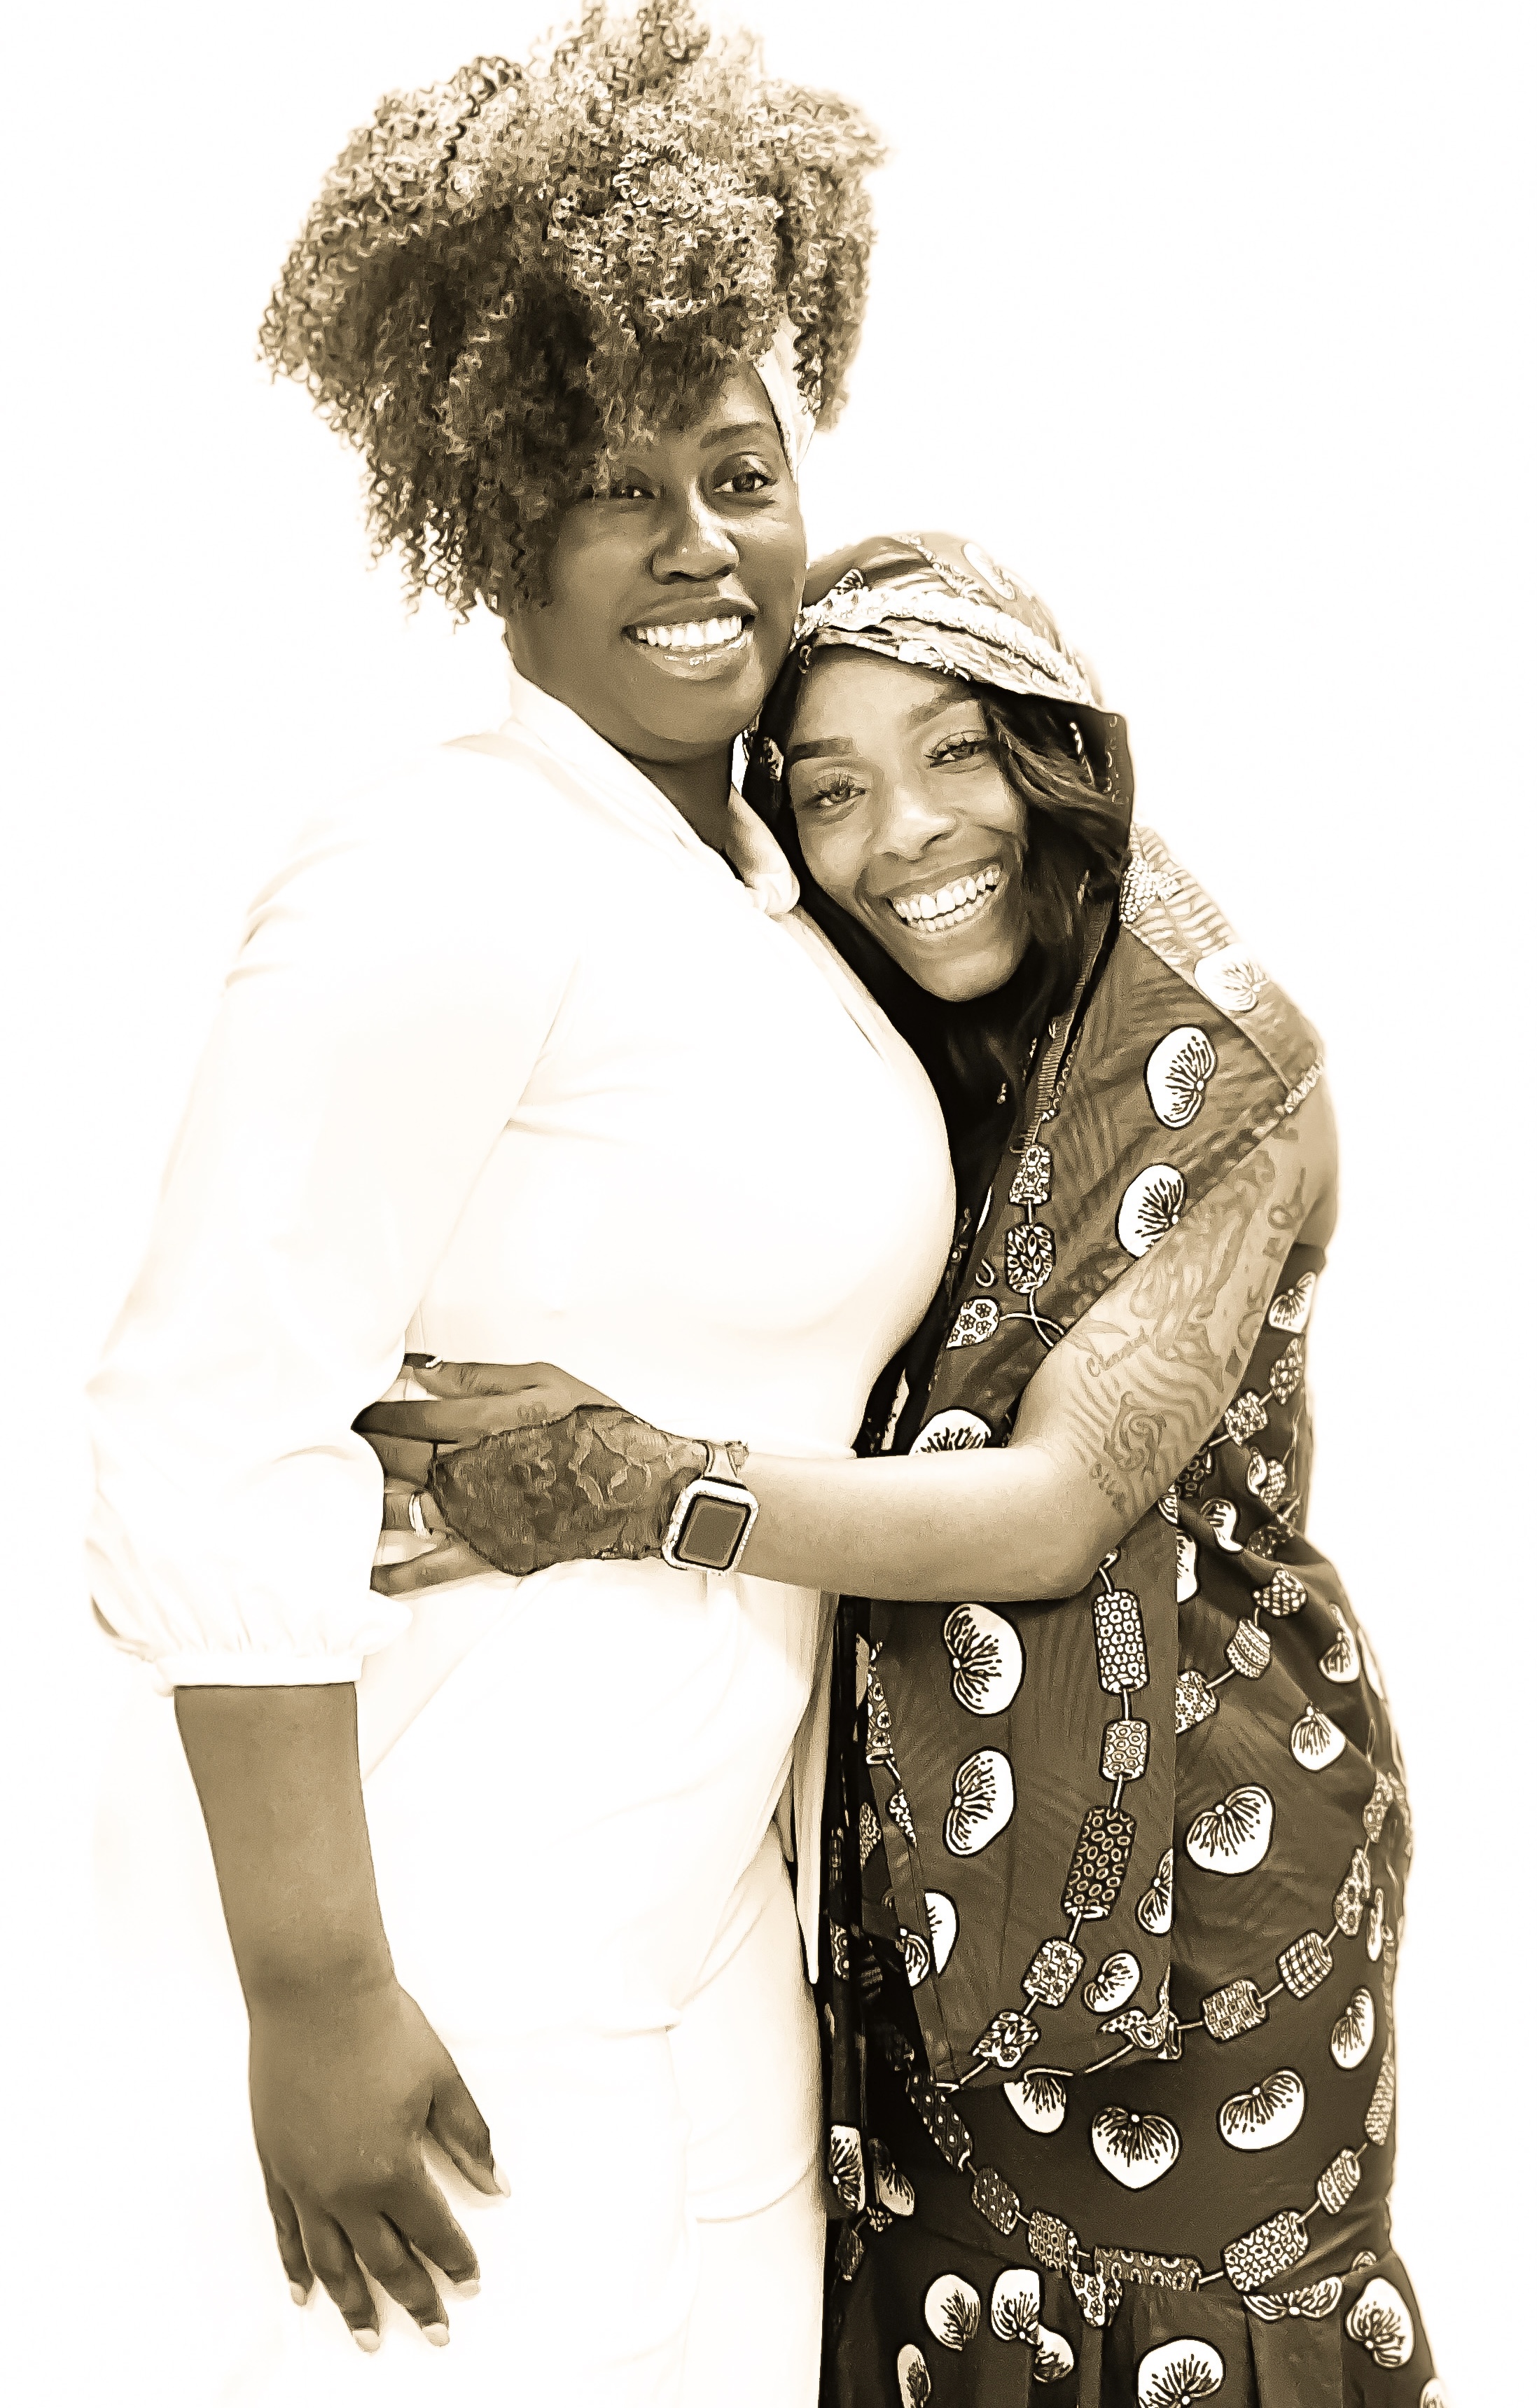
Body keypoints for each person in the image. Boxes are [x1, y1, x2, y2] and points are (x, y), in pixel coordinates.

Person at [83, 16, 951, 2404]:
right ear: (489, 528)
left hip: (711, 1935)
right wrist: (316, 1990)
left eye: (738, 474)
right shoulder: (445, 866)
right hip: (463, 1942)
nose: (696, 546)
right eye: (605, 490)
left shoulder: (766, 895)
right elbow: (207, 1417)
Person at [372, 534, 1440, 2404]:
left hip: (1215, 1891)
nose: (910, 834)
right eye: (831, 789)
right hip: (930, 1891)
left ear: (1057, 755)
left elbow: (1050, 1510)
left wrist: (631, 1485)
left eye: (956, 752)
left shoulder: (1221, 1063)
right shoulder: (888, 1061)